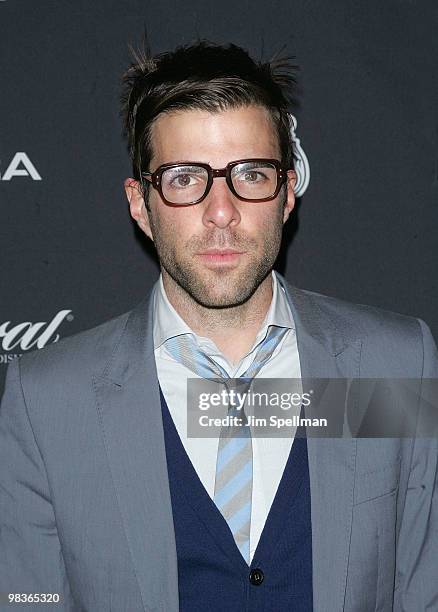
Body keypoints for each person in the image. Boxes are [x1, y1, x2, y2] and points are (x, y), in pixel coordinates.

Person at [0, 41, 437, 612]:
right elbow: (28, 601)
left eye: (250, 174)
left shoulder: (395, 364)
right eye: (185, 178)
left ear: (286, 193)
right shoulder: (48, 401)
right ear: (140, 204)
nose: (222, 211)